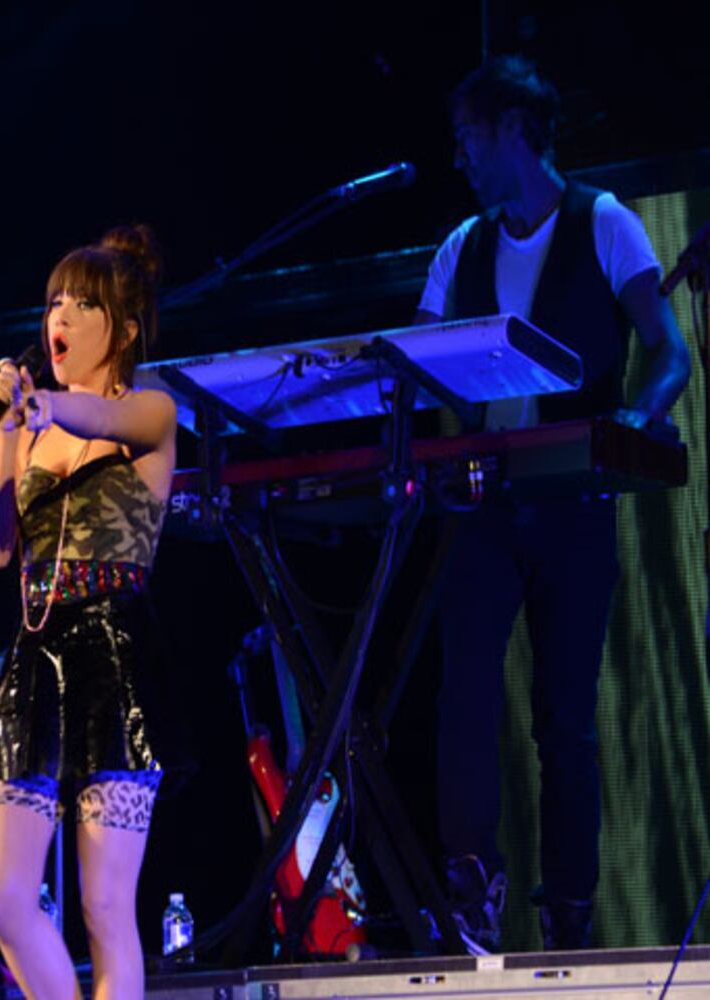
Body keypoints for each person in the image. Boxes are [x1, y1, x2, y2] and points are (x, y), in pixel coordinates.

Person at [413, 56, 690, 952]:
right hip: (485, 503)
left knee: (564, 714)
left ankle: (568, 904)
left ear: (510, 130)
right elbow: (418, 368)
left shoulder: (603, 221)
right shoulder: (460, 245)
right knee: (463, 689)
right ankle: (470, 878)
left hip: (573, 497)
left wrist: (635, 418)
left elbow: (668, 350)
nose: (459, 157)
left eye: (467, 137)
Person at [0, 224, 182, 999]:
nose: (57, 316)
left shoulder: (150, 411)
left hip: (112, 655)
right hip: (35, 658)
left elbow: (94, 419)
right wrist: (7, 433)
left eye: (80, 303)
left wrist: (42, 404)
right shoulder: (31, 427)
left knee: (103, 906)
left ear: (122, 329)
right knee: (0, 897)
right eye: (53, 301)